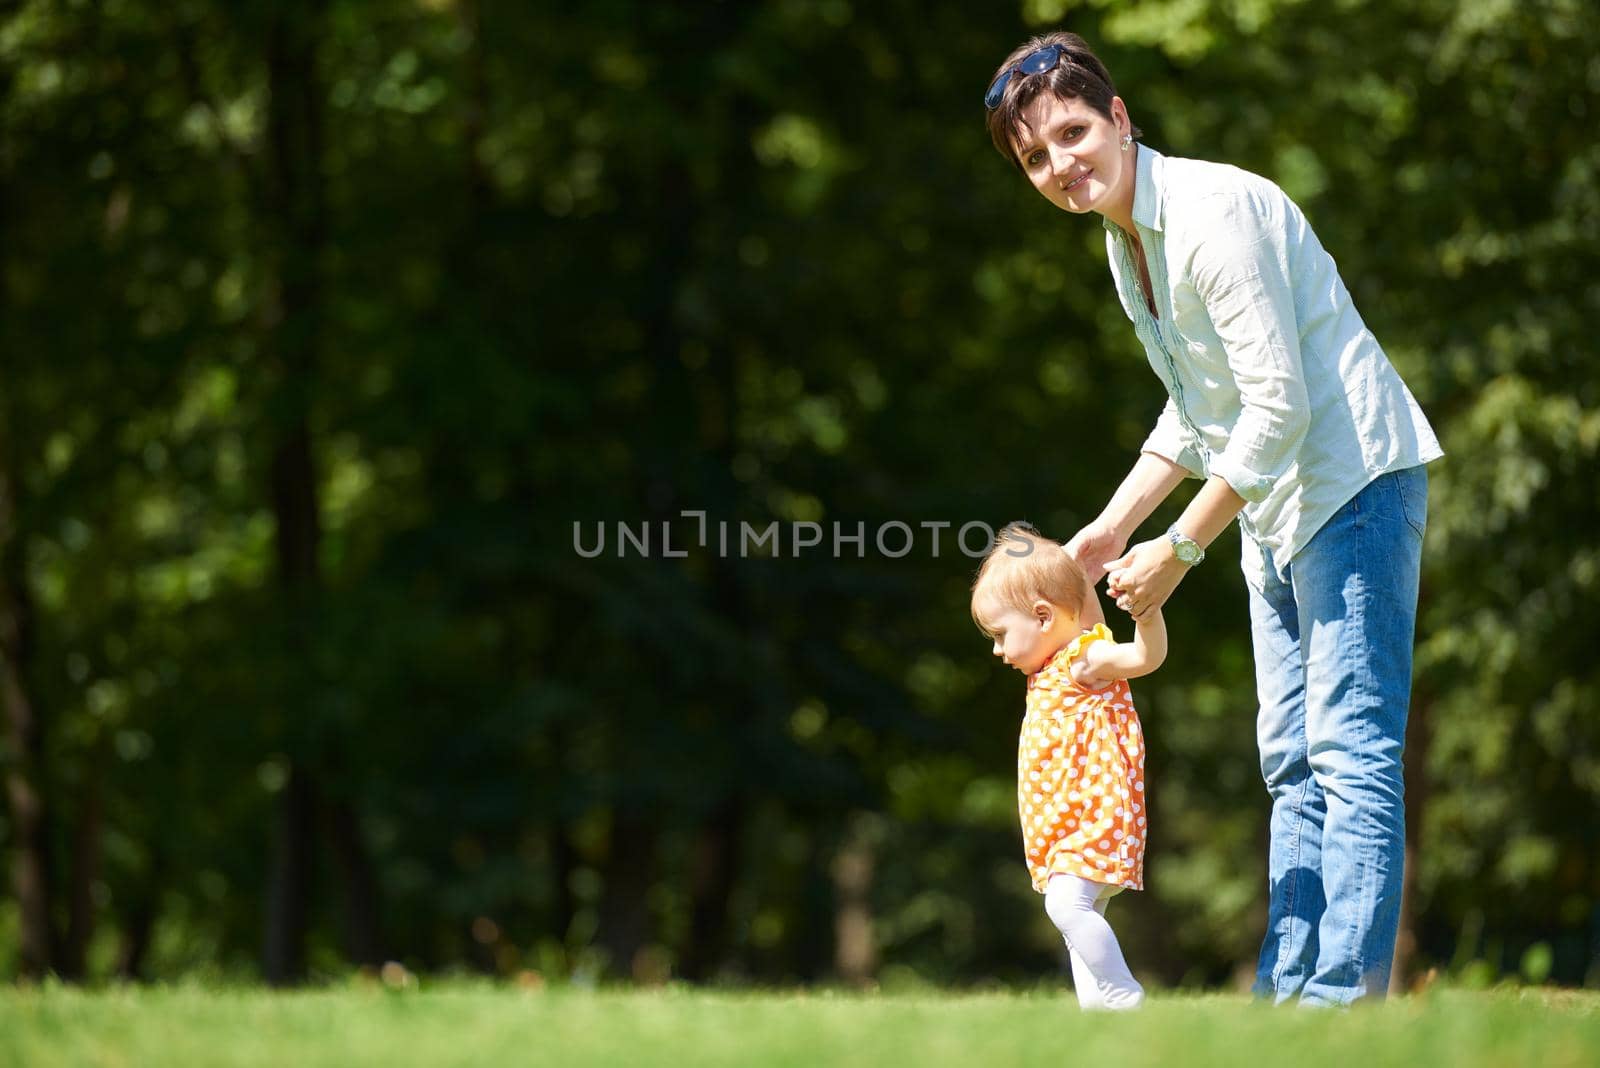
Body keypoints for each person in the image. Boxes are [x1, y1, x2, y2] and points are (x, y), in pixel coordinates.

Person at [981, 32, 1443, 1006]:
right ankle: (1286, 998)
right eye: (1034, 157)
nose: (1061, 163)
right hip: (1270, 501)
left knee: (1348, 749)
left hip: (1350, 482)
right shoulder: (1125, 244)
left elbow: (1278, 405)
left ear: (1118, 119)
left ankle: (1340, 1006)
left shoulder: (1211, 214)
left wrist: (1180, 547)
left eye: (1072, 132)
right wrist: (1110, 531)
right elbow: (1201, 410)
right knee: (1287, 759)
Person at [971, 521, 1167, 1010]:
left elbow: (1145, 657)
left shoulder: (1084, 660)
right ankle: (1099, 1013)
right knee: (1077, 915)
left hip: (1097, 817)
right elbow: (1078, 599)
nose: (996, 650)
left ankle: (1123, 993)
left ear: (1041, 617)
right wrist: (1076, 570)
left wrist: (1147, 613)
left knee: (1066, 906)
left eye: (999, 634)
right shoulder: (1050, 668)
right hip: (1066, 826)